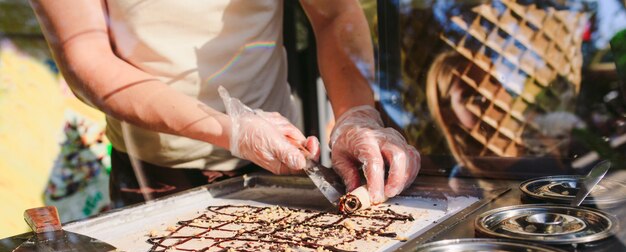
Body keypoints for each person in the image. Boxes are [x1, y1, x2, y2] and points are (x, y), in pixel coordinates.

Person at [30, 0, 420, 207]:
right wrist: (229, 129)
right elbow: (85, 57)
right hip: (155, 174)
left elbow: (335, 15)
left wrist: (356, 114)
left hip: (284, 164)